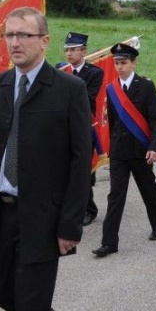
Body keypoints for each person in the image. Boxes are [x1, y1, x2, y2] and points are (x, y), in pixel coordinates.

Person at [0, 7, 91, 311]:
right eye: (10, 35)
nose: (15, 43)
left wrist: (70, 224)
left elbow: (80, 160)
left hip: (42, 218)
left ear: (44, 41)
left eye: (24, 35)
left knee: (30, 310)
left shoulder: (69, 90)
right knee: (0, 292)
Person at [93, 43, 156, 258]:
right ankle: (109, 242)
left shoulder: (146, 86)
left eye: (123, 63)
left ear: (134, 63)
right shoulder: (111, 89)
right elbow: (113, 122)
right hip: (119, 152)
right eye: (116, 63)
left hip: (141, 150)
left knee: (148, 189)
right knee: (115, 195)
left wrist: (154, 147)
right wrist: (111, 149)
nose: (119, 67)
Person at [61, 32, 104, 226]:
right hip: (64, 127)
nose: (69, 54)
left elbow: (87, 98)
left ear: (84, 51)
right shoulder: (61, 70)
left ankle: (89, 209)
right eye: (66, 50)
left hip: (84, 127)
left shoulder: (94, 73)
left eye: (73, 50)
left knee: (82, 172)